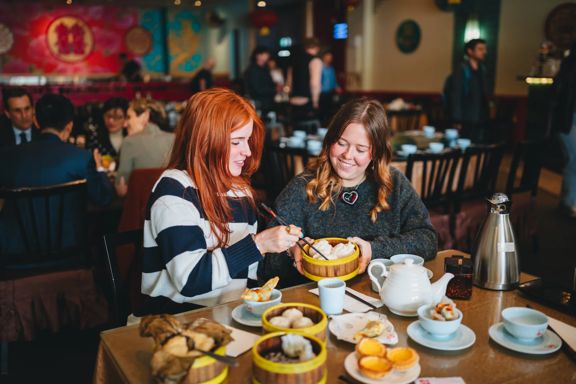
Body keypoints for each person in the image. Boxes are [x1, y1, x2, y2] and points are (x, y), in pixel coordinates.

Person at [141, 88, 302, 315]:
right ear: (205, 141)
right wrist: (260, 244)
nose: (247, 151)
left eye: (247, 140)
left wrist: (289, 248)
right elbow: (190, 281)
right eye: (237, 142)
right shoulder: (174, 191)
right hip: (175, 319)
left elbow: (248, 271)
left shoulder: (238, 190)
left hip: (230, 312)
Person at [259, 98, 438, 286]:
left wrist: (374, 250)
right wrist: (292, 250)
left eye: (361, 149)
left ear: (375, 153)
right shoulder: (303, 187)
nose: (348, 155)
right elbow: (267, 266)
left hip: (379, 294)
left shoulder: (394, 184)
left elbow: (427, 239)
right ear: (329, 141)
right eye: (341, 143)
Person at [0, 94, 114, 255]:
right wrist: (100, 168)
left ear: (36, 122)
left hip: (15, 255)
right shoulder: (81, 158)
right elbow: (104, 198)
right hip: (68, 253)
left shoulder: (6, 157)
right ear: (69, 127)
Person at [115, 97, 175, 196]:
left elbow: (121, 190)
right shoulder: (175, 139)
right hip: (170, 207)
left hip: (139, 209)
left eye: (129, 117)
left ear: (145, 116)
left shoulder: (129, 142)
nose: (125, 124)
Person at [446, 38, 491, 143]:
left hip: (480, 116)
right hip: (465, 116)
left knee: (477, 145)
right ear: (470, 51)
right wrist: (456, 119)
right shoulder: (462, 69)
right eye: (480, 49)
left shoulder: (482, 69)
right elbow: (456, 94)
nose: (484, 52)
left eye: (484, 49)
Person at [550, 42, 576, 219]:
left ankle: (569, 202)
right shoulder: (568, 68)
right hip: (567, 120)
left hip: (569, 119)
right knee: (573, 160)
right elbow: (556, 96)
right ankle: (567, 203)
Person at [289, 38, 323, 123]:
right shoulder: (315, 60)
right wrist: (315, 101)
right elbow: (315, 83)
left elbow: (289, 82)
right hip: (307, 101)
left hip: (293, 100)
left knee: (295, 132)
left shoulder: (294, 60)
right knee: (309, 133)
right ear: (317, 48)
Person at [85, 97, 129, 163]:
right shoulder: (94, 137)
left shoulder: (132, 137)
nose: (111, 121)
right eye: (108, 116)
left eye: (117, 117)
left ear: (126, 118)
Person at [244, 46, 276, 113]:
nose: (267, 56)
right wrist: (274, 90)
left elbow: (270, 83)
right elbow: (258, 90)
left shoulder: (265, 68)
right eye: (265, 54)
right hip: (259, 100)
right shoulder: (253, 70)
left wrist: (275, 86)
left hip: (267, 99)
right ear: (258, 56)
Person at [319, 50, 342, 125]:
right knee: (321, 112)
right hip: (321, 93)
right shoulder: (320, 67)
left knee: (329, 112)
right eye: (327, 57)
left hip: (330, 93)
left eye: (330, 58)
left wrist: (337, 87)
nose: (329, 59)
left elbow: (333, 80)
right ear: (323, 57)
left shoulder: (331, 68)